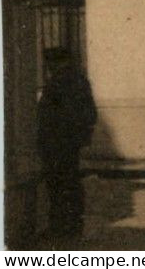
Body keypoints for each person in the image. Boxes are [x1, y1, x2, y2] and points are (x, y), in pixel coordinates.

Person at [36, 49, 96, 239]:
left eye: (49, 64)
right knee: (71, 182)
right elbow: (91, 113)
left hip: (56, 142)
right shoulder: (80, 81)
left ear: (54, 63)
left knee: (57, 184)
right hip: (71, 142)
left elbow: (47, 115)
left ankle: (59, 228)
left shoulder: (56, 83)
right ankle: (74, 226)